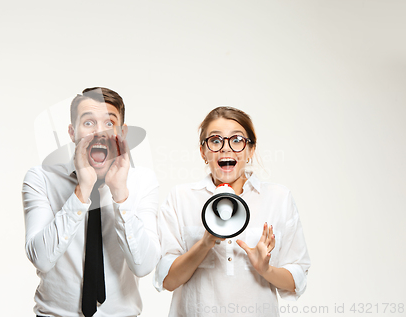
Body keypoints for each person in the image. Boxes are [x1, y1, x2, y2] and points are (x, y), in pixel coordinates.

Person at [154, 106, 310, 317]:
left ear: (250, 150)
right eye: (215, 141)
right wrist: (205, 243)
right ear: (203, 151)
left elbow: (296, 281)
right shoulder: (180, 198)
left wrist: (265, 269)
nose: (226, 149)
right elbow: (168, 281)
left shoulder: (278, 198)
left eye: (236, 140)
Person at [22, 87, 160, 317]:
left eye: (109, 123)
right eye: (88, 123)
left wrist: (120, 194)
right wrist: (82, 190)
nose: (99, 132)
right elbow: (42, 259)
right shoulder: (41, 178)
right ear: (72, 132)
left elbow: (143, 266)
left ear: (122, 133)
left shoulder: (143, 181)